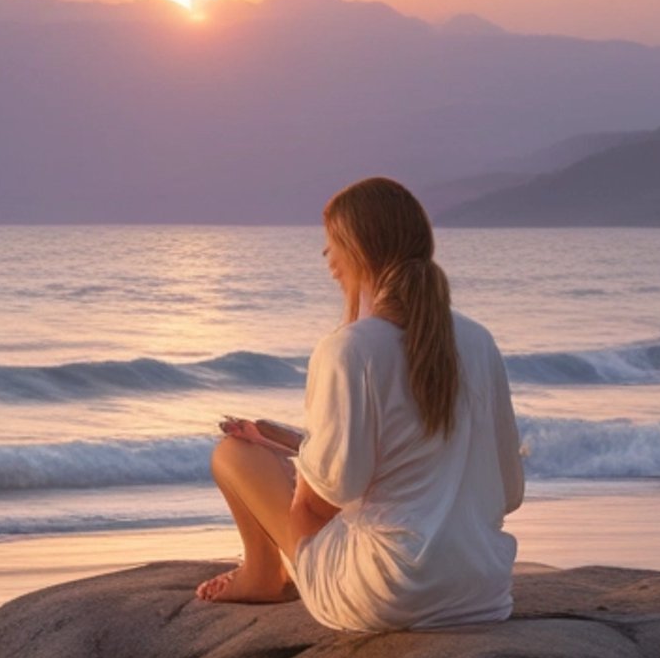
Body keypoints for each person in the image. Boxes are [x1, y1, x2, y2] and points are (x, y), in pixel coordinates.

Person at [196, 176, 524, 629]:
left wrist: (299, 517)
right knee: (270, 456)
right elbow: (508, 493)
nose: (326, 257)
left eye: (331, 243)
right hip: (482, 592)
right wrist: (294, 445)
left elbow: (319, 507)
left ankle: (263, 574)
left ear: (357, 251)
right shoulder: (478, 340)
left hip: (389, 594)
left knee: (233, 454)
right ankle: (269, 568)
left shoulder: (349, 348)